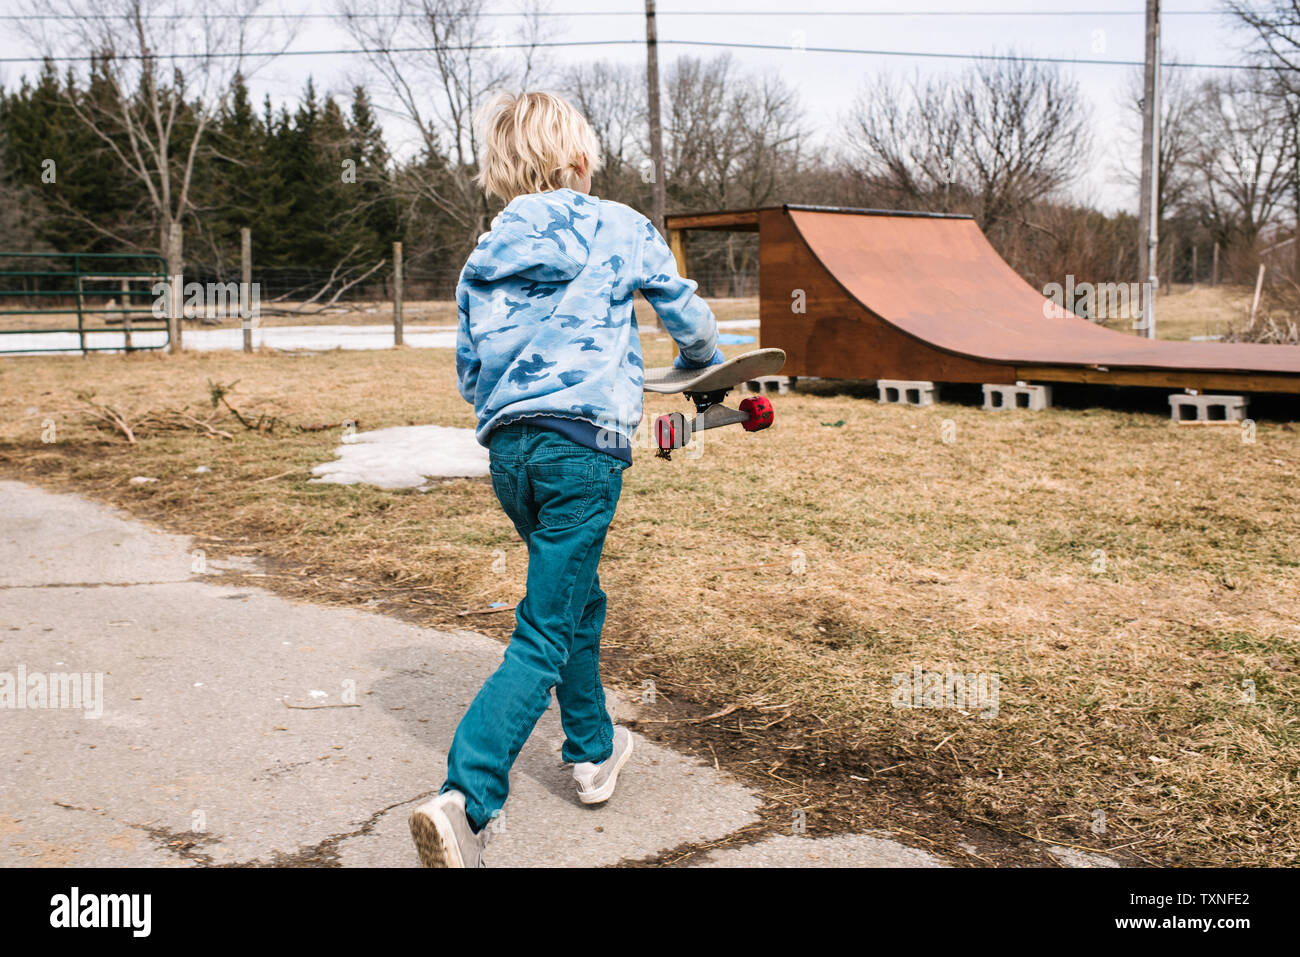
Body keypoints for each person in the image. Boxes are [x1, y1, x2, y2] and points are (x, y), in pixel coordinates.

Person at [408, 91, 720, 867]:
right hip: (584, 451)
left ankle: (590, 752)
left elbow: (470, 372)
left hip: (511, 457)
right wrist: (700, 362)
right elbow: (684, 312)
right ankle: (464, 797)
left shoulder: (483, 255)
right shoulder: (616, 224)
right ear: (579, 163)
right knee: (545, 629)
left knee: (576, 595)